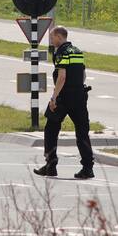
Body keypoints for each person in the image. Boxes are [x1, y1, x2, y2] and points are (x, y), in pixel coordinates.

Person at [34, 27, 94, 179]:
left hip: (64, 97)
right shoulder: (78, 51)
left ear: (59, 37)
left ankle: (50, 165)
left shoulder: (61, 52)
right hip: (79, 96)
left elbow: (62, 77)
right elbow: (83, 74)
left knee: (51, 129)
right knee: (82, 132)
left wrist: (54, 98)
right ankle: (88, 168)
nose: (51, 40)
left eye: (52, 37)